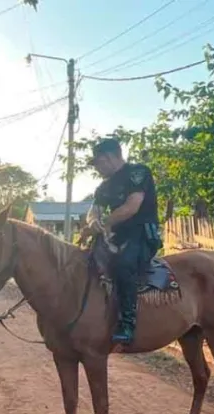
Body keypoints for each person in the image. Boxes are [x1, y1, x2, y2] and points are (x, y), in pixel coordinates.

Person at [80, 137, 162, 345]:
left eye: (97, 163)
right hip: (116, 237)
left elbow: (131, 207)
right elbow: (93, 211)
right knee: (84, 261)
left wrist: (105, 222)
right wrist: (93, 222)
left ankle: (127, 323)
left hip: (141, 235)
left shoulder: (138, 172)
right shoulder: (104, 187)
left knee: (124, 264)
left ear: (107, 158)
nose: (97, 168)